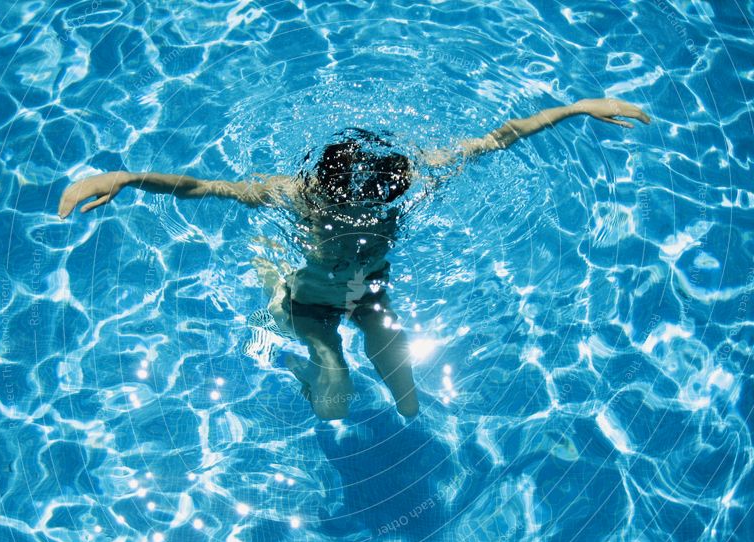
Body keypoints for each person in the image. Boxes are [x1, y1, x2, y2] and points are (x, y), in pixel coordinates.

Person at [58, 97, 650, 420]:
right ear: (318, 187)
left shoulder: (415, 179)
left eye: (367, 208)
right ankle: (294, 345)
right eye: (337, 208)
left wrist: (577, 109)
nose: (349, 219)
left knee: (410, 404)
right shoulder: (291, 193)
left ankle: (306, 317)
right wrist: (130, 177)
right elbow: (199, 187)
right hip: (310, 302)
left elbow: (501, 136)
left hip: (370, 294)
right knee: (334, 406)